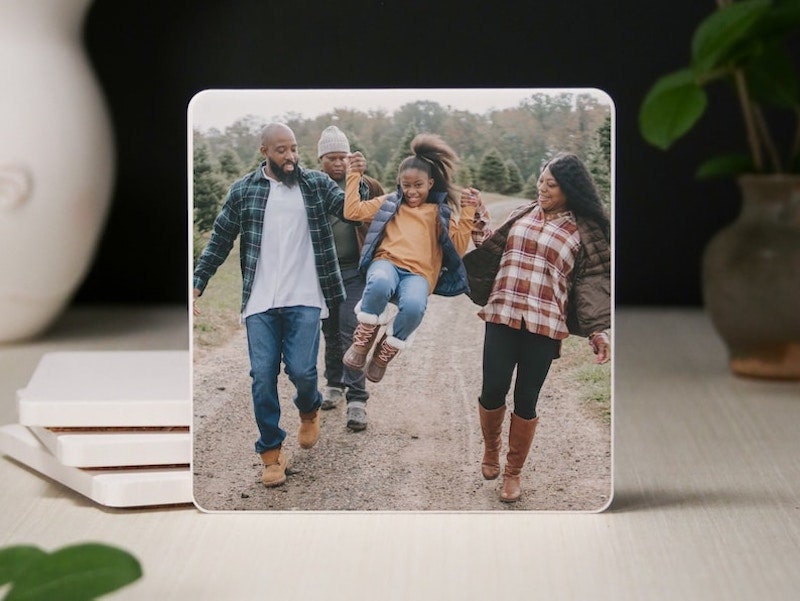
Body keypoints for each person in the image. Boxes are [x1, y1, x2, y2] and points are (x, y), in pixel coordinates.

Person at [193, 123, 363, 488]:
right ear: (264, 152)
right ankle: (271, 453)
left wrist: (355, 177)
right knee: (262, 378)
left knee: (303, 372)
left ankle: (309, 407)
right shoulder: (244, 190)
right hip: (260, 301)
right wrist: (197, 281)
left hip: (304, 296)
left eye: (294, 149)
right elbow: (220, 238)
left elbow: (353, 210)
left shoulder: (315, 184)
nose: (290, 156)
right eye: (282, 150)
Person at [469, 152, 611, 503]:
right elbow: (495, 246)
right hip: (503, 313)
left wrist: (597, 330)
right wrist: (478, 221)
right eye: (541, 180)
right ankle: (491, 449)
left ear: (570, 190)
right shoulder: (524, 212)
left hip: (545, 325)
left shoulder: (583, 231)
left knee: (526, 400)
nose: (542, 188)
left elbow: (592, 284)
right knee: (492, 390)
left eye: (551, 184)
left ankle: (513, 473)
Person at [342, 133, 477, 382]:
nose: (412, 191)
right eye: (406, 185)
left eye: (418, 185)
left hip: (419, 275)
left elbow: (457, 249)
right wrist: (354, 175)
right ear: (399, 183)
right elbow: (352, 211)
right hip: (387, 263)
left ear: (431, 183)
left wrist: (468, 211)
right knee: (380, 282)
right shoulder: (390, 203)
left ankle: (385, 351)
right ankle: (363, 339)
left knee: (415, 308)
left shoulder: (439, 212)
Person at [315, 125, 385, 431]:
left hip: (356, 271)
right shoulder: (314, 187)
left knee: (351, 330)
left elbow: (386, 219)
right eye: (332, 158)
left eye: (343, 157)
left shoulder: (366, 185)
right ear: (321, 160)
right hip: (323, 272)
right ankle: (333, 383)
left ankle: (357, 400)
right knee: (329, 329)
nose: (339, 163)